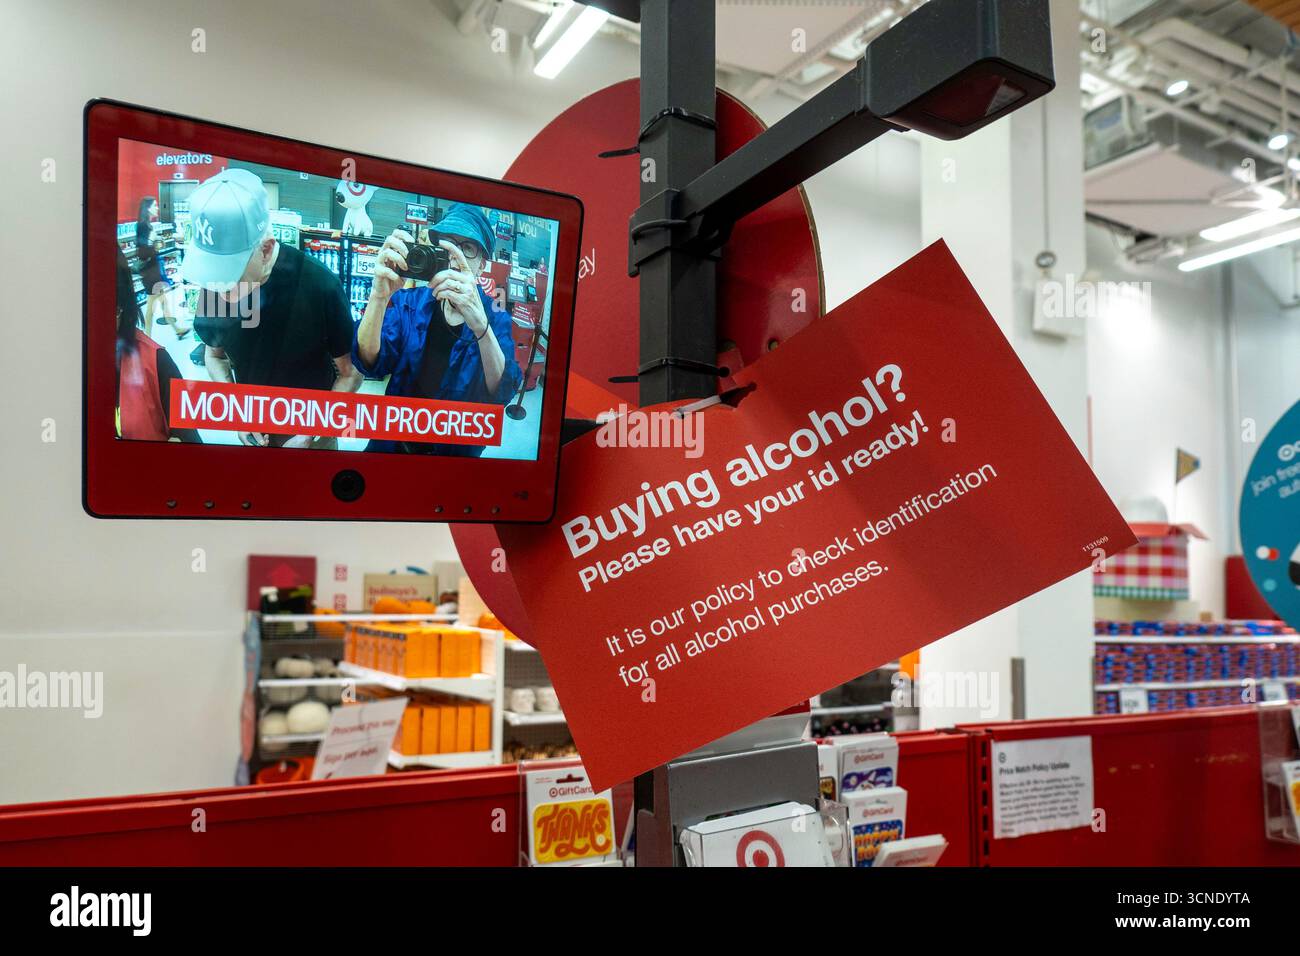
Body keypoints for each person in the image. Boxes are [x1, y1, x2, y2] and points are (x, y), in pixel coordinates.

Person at [182, 169, 362, 449]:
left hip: (313, 438)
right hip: (254, 434)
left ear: (265, 250)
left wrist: (312, 432)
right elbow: (214, 355)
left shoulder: (320, 285)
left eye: (231, 274)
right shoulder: (215, 284)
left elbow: (350, 372)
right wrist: (238, 413)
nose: (220, 291)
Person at [353, 203, 521, 455]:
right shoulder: (410, 302)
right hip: (391, 445)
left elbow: (502, 390)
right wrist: (378, 296)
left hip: (454, 457)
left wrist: (480, 326)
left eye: (467, 248)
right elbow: (369, 361)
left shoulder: (496, 318)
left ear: (482, 264)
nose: (455, 255)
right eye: (447, 244)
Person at [115, 248, 201, 443]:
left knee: (160, 306)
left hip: (154, 281)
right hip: (153, 280)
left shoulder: (156, 361)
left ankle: (173, 328)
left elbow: (190, 440)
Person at [135, 197, 190, 339]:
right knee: (151, 305)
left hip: (152, 271)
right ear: (148, 208)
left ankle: (177, 329)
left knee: (163, 301)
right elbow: (142, 252)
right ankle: (148, 336)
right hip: (150, 273)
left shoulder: (146, 225)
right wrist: (154, 240)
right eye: (155, 206)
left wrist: (156, 243)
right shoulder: (143, 226)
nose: (157, 208)